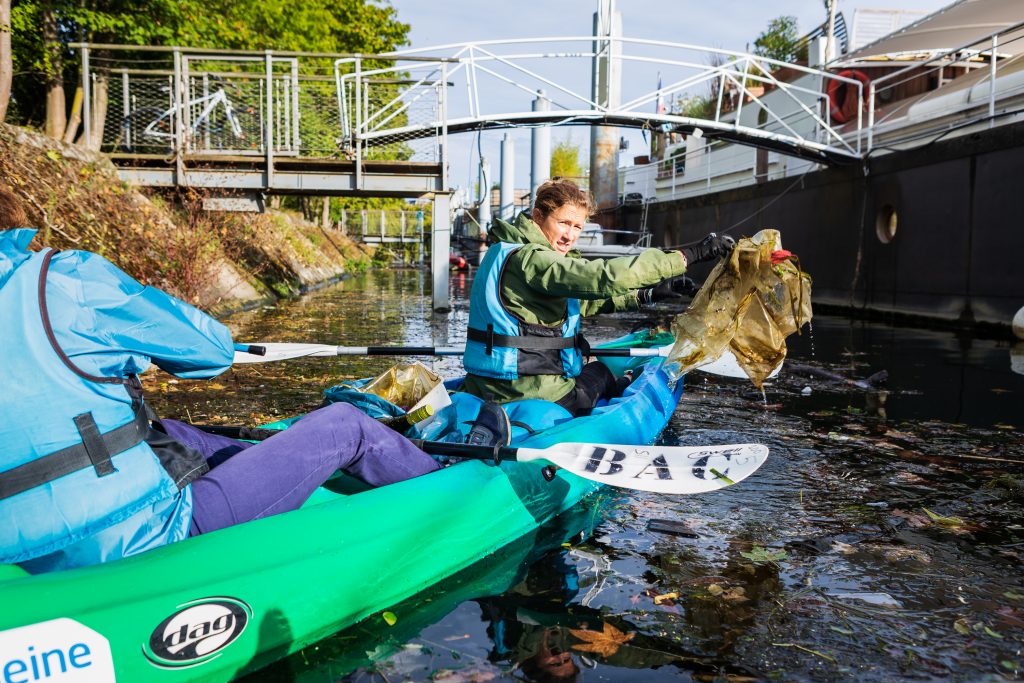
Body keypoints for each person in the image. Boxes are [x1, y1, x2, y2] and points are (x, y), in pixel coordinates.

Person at [0, 186, 440, 573]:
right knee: (344, 425)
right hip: (139, 535)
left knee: (169, 430)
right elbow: (209, 352)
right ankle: (451, 489)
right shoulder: (67, 279)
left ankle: (269, 466)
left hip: (17, 546)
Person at [463, 178, 733, 442]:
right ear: (537, 217)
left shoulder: (505, 251)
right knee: (600, 372)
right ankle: (619, 387)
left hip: (484, 386)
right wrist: (689, 255)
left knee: (586, 364)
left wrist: (648, 294)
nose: (570, 236)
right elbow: (603, 277)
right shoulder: (533, 259)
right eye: (563, 223)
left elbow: (582, 303)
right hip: (534, 392)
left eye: (577, 227)